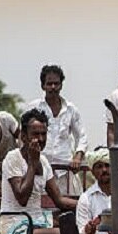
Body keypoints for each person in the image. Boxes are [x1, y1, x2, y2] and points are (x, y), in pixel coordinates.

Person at [0, 108, 77, 234]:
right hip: (15, 226)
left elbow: (59, 200)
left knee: (76, 224)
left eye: (43, 134)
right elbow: (22, 198)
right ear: (23, 136)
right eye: (35, 134)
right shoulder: (13, 158)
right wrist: (33, 164)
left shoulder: (44, 162)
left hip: (38, 221)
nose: (40, 139)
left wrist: (87, 204)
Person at [27, 64, 87, 196]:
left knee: (68, 208)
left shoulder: (71, 109)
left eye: (56, 83)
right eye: (49, 84)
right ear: (43, 86)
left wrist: (77, 157)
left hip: (65, 171)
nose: (53, 87)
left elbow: (82, 137)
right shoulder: (34, 107)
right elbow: (23, 136)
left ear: (61, 85)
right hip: (39, 169)